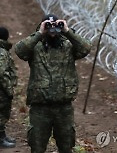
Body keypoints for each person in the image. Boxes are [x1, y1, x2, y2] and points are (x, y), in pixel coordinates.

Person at [15, 14, 92, 153]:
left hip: (64, 108)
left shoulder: (68, 46)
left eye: (55, 25)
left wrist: (67, 31)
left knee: (66, 146)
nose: (52, 30)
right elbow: (20, 51)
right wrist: (39, 33)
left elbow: (86, 48)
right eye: (48, 25)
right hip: (40, 108)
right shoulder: (35, 46)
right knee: (37, 147)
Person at [0, 27, 17, 148]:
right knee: (1, 115)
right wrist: (8, 89)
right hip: (1, 91)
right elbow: (1, 72)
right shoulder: (2, 52)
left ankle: (2, 135)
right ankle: (1, 140)